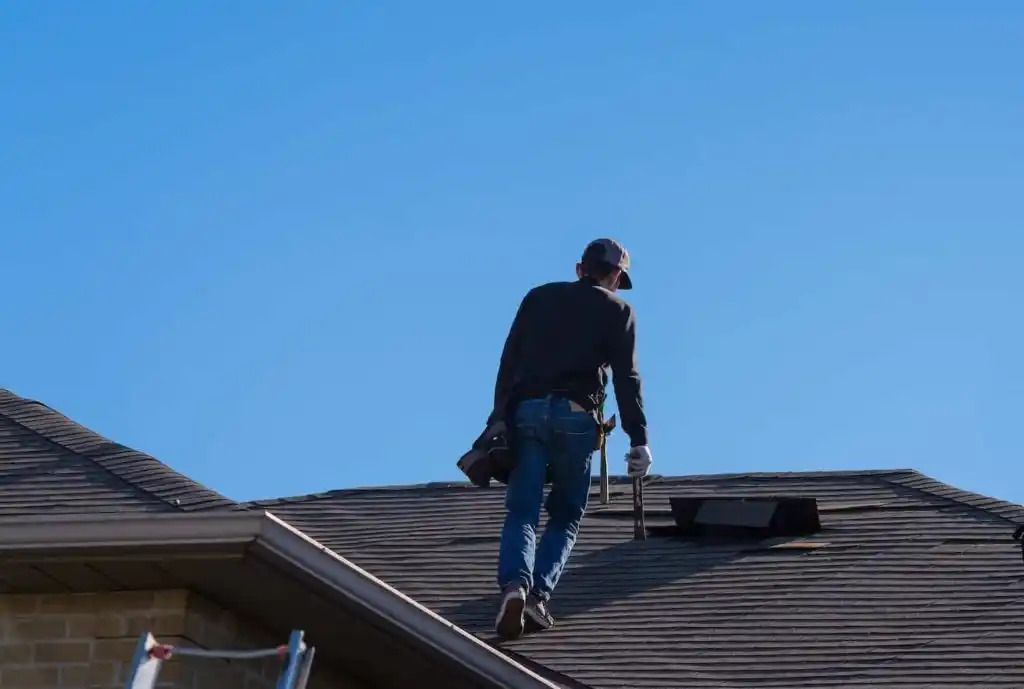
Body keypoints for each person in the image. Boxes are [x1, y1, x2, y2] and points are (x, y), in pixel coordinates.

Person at [488, 238, 653, 640]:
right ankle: (538, 596)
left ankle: (515, 585)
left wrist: (497, 417)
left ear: (580, 268)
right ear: (614, 275)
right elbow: (626, 379)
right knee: (564, 514)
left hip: (526, 411)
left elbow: (509, 359)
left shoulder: (539, 298)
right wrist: (639, 439)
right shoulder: (619, 310)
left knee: (522, 509)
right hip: (578, 417)